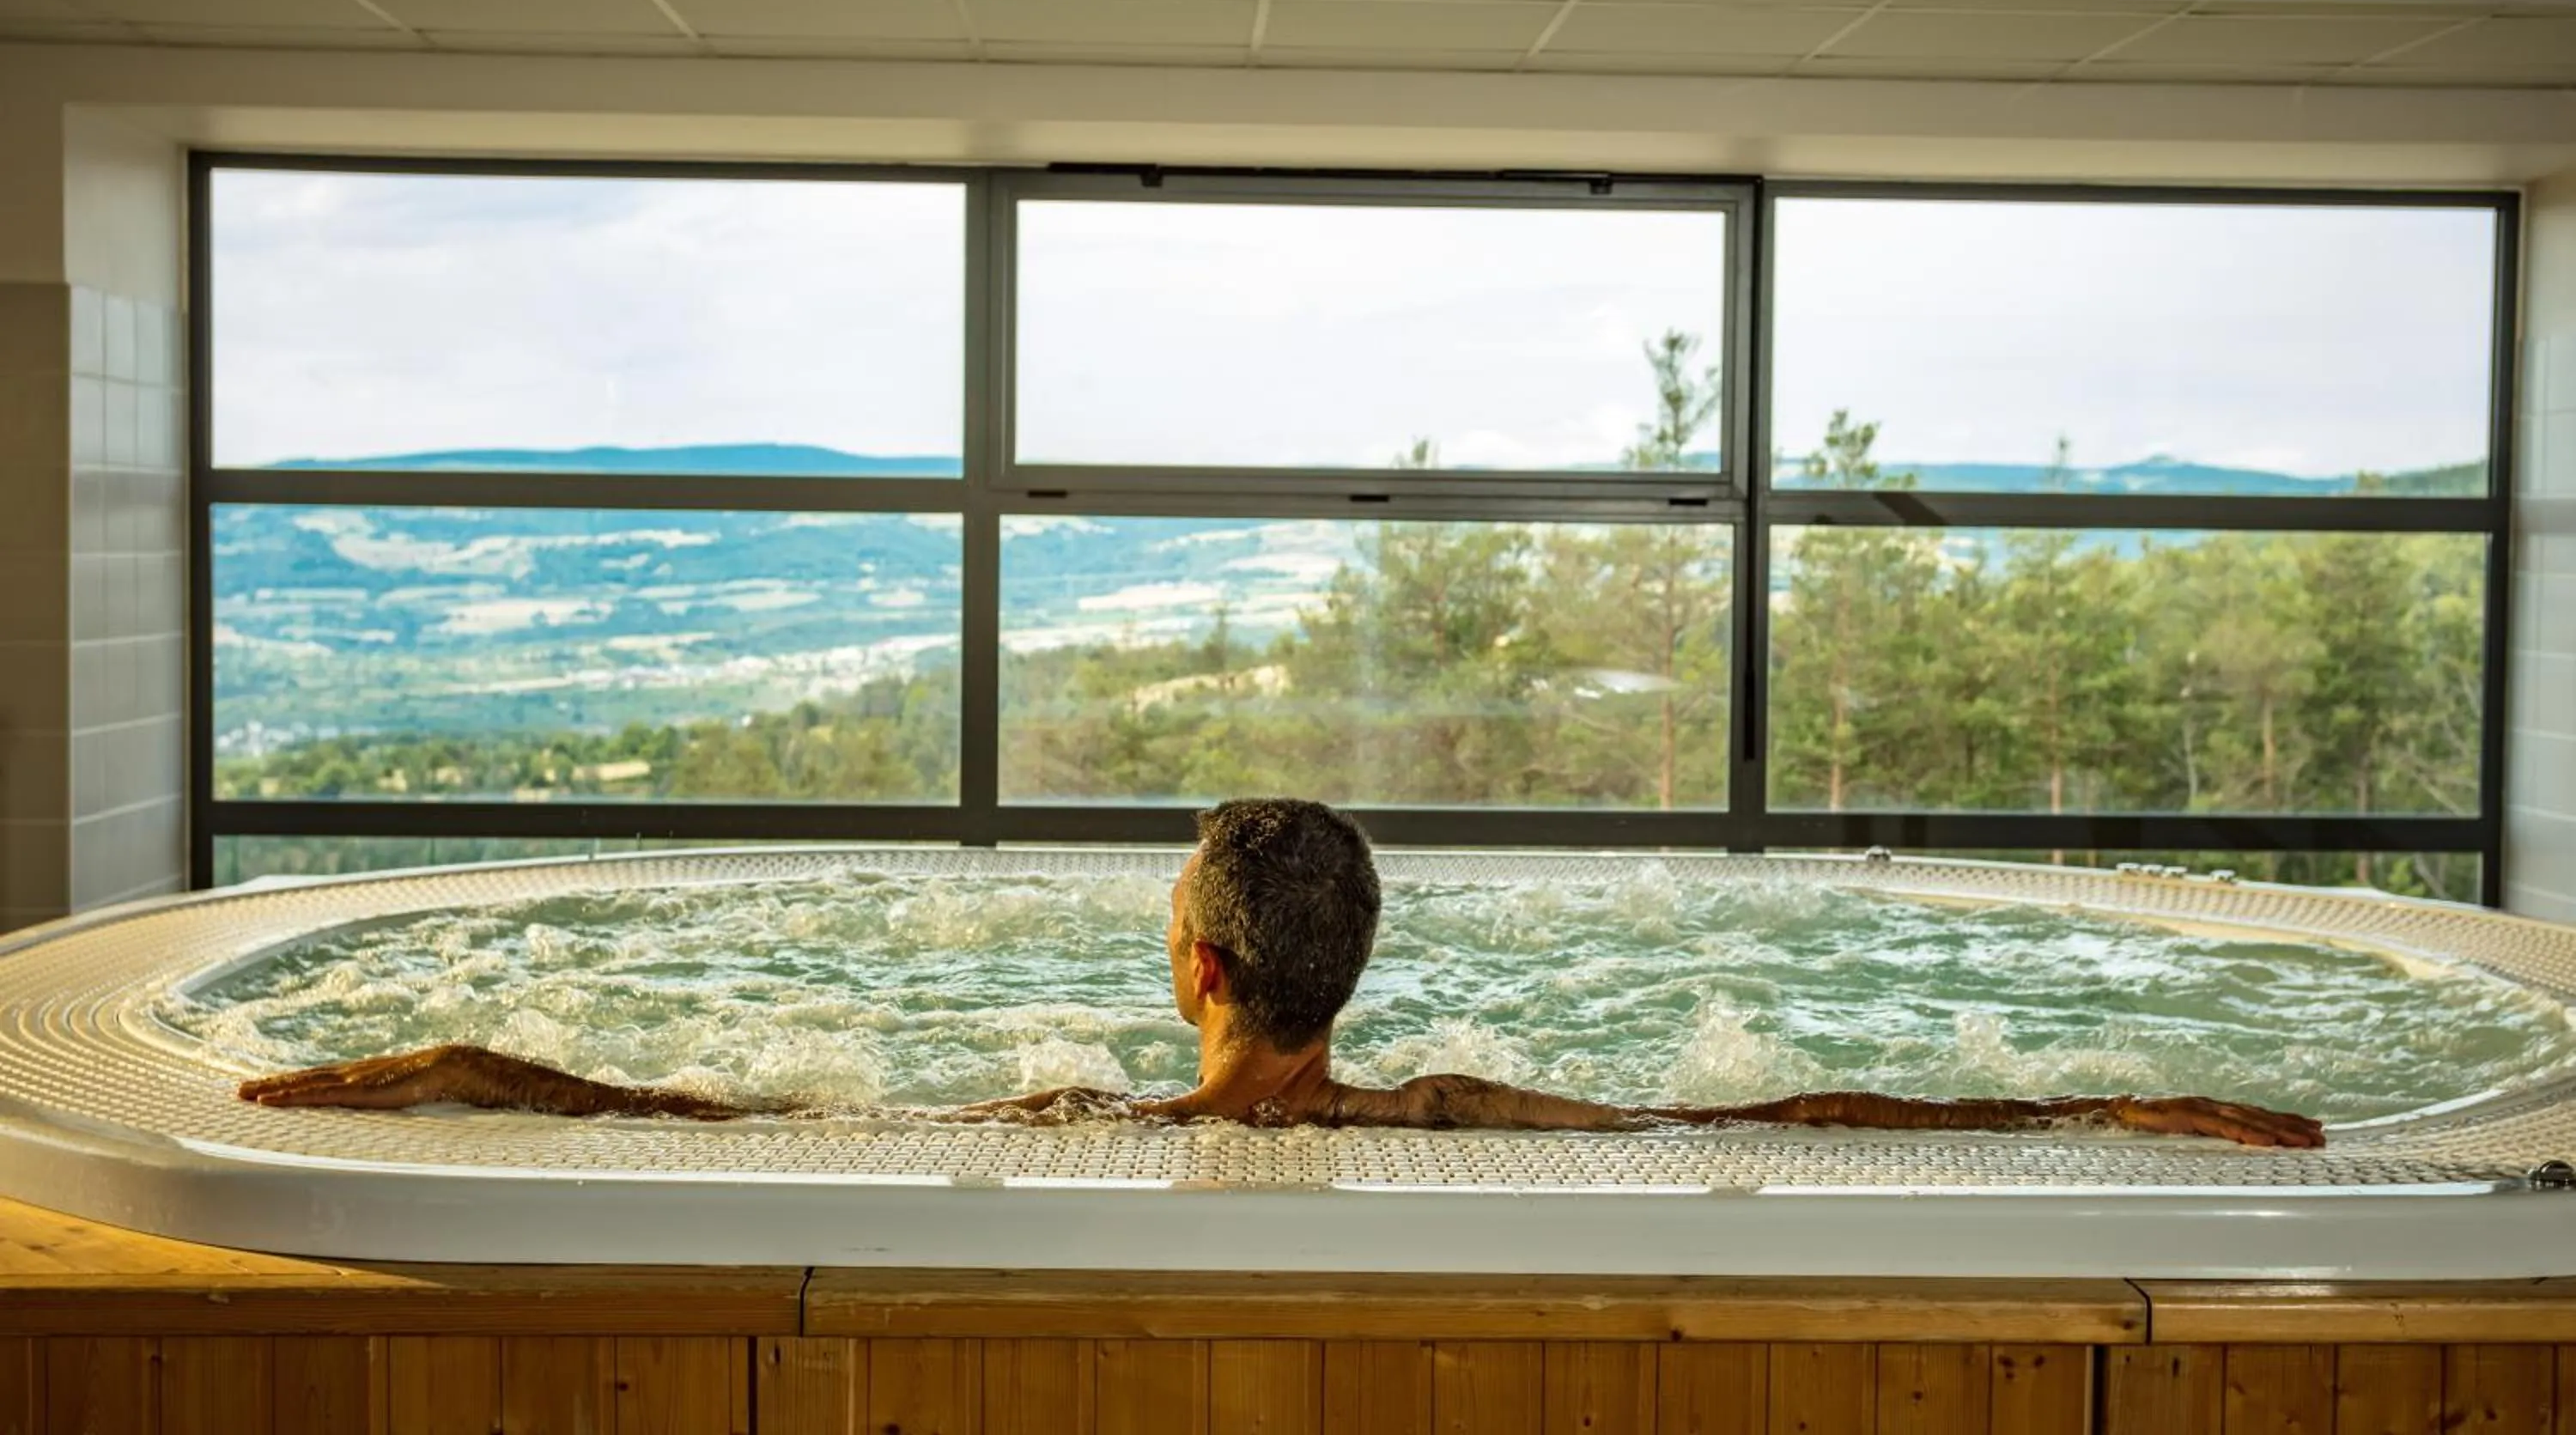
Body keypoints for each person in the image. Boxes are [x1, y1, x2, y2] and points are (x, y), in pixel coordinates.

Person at [240, 798, 2325, 1147]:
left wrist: (461, 1059)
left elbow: (721, 1123)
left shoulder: (1072, 1126)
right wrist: (2088, 1103)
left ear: (1194, 971)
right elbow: (1779, 1116)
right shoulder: (1462, 1119)